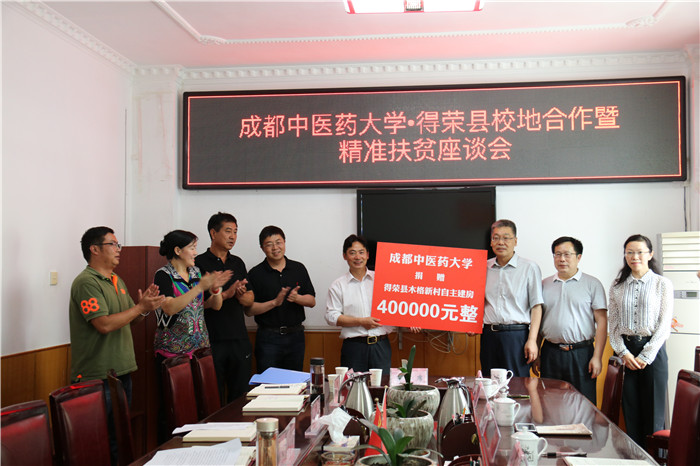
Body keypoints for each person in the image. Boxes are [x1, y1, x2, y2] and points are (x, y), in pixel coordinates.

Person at [69, 226, 165, 465]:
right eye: (113, 244)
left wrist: (144, 309)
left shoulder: (116, 279)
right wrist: (139, 308)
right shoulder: (86, 282)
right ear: (94, 249)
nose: (119, 249)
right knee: (100, 441)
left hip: (121, 371)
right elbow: (103, 324)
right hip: (96, 375)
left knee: (119, 437)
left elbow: (129, 319)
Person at [152, 229, 231, 441]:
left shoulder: (196, 272)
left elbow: (214, 306)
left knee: (200, 406)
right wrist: (199, 288)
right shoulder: (163, 275)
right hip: (172, 353)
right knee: (174, 409)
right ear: (178, 250)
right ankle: (170, 448)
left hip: (199, 350)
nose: (196, 252)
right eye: (192, 248)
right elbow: (170, 307)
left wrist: (215, 290)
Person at [608, 234, 673, 448]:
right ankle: (633, 457)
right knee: (630, 411)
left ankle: (654, 459)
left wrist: (646, 355)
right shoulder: (617, 286)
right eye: (629, 252)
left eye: (639, 252)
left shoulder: (662, 284)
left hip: (653, 350)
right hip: (626, 352)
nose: (634, 257)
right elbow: (613, 325)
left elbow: (664, 324)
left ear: (650, 254)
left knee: (654, 413)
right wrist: (623, 353)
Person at [325, 235, 423, 375]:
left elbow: (397, 306)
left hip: (381, 346)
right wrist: (361, 321)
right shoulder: (338, 285)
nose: (357, 257)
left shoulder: (383, 280)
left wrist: (409, 320)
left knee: (381, 385)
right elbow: (331, 317)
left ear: (368, 255)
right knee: (353, 386)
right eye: (352, 253)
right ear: (345, 256)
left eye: (361, 252)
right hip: (354, 347)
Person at [535, 236, 607, 404]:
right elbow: (538, 321)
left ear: (578, 257)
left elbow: (602, 322)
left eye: (567, 254)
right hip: (550, 353)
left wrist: (597, 357)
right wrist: (537, 353)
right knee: (550, 403)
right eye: (557, 254)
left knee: (584, 404)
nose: (562, 259)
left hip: (582, 354)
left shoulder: (592, 284)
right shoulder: (544, 284)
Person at [195, 212, 254, 402]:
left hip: (239, 338)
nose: (233, 236)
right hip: (211, 340)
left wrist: (241, 294)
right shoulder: (198, 263)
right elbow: (195, 305)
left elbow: (250, 300)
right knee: (213, 396)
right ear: (213, 233)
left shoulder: (238, 262)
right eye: (228, 231)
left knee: (240, 397)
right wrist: (226, 293)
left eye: (235, 232)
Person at [246, 226, 316, 372]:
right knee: (267, 382)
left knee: (295, 382)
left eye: (278, 242)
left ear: (284, 242)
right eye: (269, 244)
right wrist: (274, 303)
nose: (275, 248)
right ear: (262, 248)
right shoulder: (255, 273)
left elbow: (311, 301)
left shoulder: (298, 268)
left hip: (296, 336)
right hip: (268, 338)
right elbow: (249, 310)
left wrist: (297, 298)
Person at [481, 219, 543, 378]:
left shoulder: (529, 268)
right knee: (489, 383)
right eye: (496, 238)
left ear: (515, 241)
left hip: (516, 337)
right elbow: (476, 302)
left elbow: (536, 306)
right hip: (489, 336)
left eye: (506, 238)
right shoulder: (482, 267)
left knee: (517, 384)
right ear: (491, 242)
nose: (500, 242)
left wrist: (532, 340)